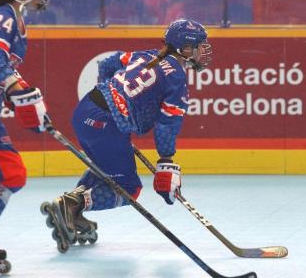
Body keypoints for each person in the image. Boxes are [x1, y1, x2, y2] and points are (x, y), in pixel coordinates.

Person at [41, 18, 212, 252]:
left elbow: (107, 64)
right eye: (200, 46)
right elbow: (166, 124)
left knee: (107, 171)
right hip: (105, 123)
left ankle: (71, 208)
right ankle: (73, 204)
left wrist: (113, 99)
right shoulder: (177, 79)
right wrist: (165, 162)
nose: (204, 51)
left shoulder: (145, 55)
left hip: (85, 110)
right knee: (129, 189)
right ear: (185, 48)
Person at [0, 0, 51, 272]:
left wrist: (24, 94)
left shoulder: (13, 14)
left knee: (8, 174)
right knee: (11, 172)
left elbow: (3, 69)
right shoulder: (5, 16)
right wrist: (17, 90)